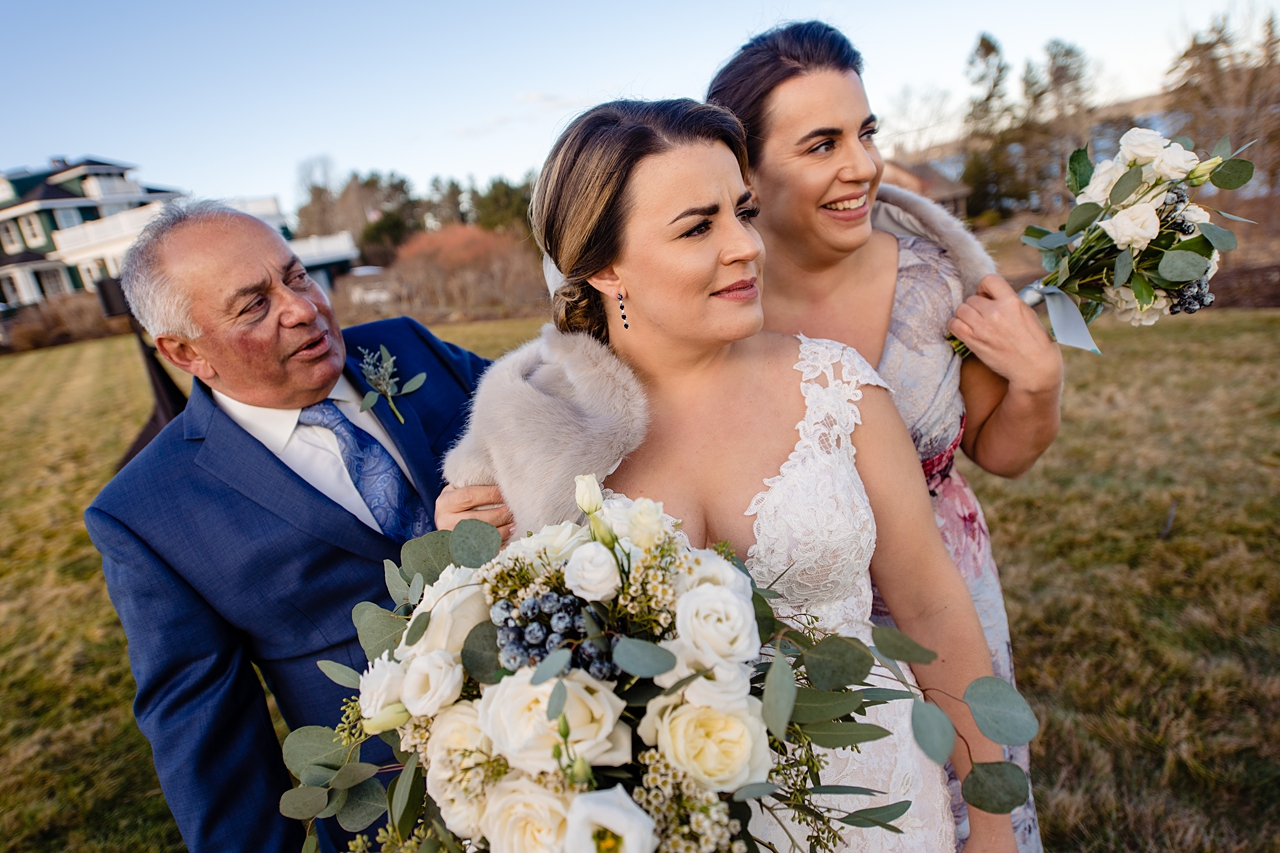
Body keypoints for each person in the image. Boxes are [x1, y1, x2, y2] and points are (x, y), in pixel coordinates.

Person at [444, 99, 1016, 852]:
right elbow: (515, 672)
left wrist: (995, 826)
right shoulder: (531, 436)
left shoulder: (836, 388)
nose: (746, 245)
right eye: (697, 226)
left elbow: (936, 611)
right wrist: (472, 573)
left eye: (741, 211)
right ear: (603, 266)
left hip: (880, 803)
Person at [706, 22, 1062, 851]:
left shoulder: (935, 283)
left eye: (866, 133)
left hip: (947, 596)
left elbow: (1003, 451)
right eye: (822, 143)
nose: (862, 165)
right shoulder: (717, 310)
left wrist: (1038, 382)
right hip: (798, 618)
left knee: (974, 807)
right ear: (745, 172)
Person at [83, 201, 506, 852]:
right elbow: (213, 752)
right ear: (184, 351)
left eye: (297, 275)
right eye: (253, 305)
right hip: (403, 817)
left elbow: (557, 420)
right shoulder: (148, 516)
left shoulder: (407, 347)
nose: (302, 307)